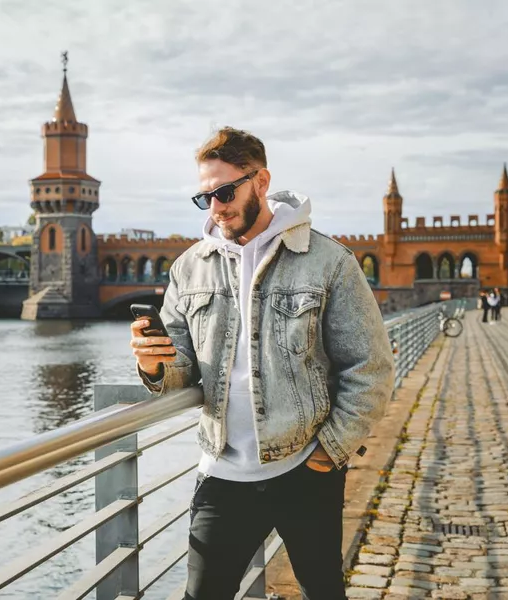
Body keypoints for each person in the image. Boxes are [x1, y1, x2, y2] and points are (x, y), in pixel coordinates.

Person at [130, 127, 395, 600]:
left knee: (323, 590)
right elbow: (182, 370)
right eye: (204, 197)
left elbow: (370, 367)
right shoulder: (189, 268)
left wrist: (329, 452)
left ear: (262, 181)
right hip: (222, 474)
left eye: (225, 191)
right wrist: (155, 365)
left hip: (305, 467)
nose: (216, 207)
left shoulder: (328, 261)